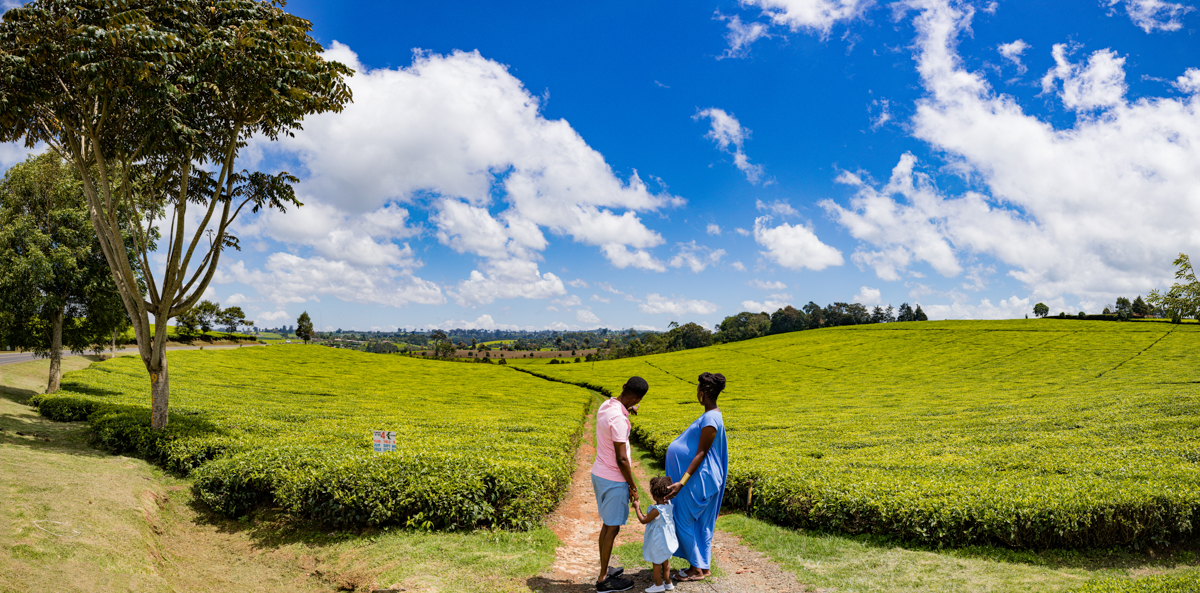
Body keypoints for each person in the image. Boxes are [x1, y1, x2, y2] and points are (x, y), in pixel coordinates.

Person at [664, 372, 727, 583]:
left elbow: (701, 453)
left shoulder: (710, 418)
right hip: (700, 479)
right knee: (699, 523)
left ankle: (695, 569)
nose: (697, 391)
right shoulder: (711, 415)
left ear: (704, 392)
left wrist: (682, 482)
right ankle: (703, 566)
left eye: (698, 387)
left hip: (698, 481)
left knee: (683, 520)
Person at [592, 376, 649, 592]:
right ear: (639, 398)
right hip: (614, 479)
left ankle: (605, 569)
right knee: (612, 528)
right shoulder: (619, 420)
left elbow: (618, 410)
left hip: (599, 474)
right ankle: (603, 581)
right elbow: (622, 459)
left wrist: (628, 409)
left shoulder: (607, 405)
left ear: (624, 387)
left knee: (607, 525)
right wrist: (633, 486)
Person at [632, 477, 678, 593]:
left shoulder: (657, 510)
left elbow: (643, 520)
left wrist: (637, 508)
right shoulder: (668, 505)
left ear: (654, 494)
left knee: (656, 562)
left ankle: (658, 584)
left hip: (658, 541)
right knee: (665, 561)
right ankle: (668, 582)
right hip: (666, 540)